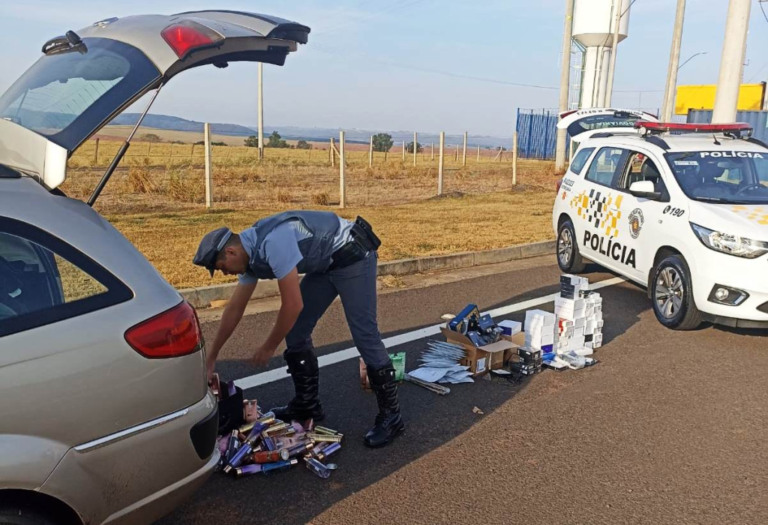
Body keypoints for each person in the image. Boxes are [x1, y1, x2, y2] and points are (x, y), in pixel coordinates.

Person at [193, 211, 404, 448]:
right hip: (326, 264)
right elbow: (234, 309)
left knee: (365, 335)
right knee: (296, 331)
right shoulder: (249, 254)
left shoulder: (273, 243)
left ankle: (392, 417)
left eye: (222, 267)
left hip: (352, 255)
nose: (225, 273)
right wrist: (211, 358)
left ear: (231, 252)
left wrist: (269, 346)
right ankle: (307, 405)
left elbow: (293, 305)